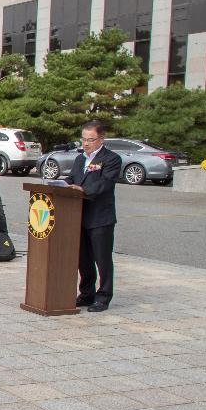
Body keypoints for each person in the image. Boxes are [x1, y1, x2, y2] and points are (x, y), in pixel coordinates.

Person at [70, 120, 121, 312]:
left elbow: (105, 184)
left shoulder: (111, 159)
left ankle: (104, 296)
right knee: (83, 259)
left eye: (90, 140)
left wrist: (81, 189)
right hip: (78, 216)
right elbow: (73, 179)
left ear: (101, 139)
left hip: (100, 217)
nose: (85, 143)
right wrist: (60, 185)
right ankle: (86, 293)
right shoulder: (80, 159)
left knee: (102, 259)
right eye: (83, 139)